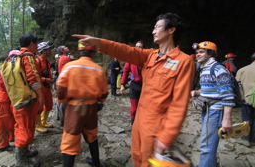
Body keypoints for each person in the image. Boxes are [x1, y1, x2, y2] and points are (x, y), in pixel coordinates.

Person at [73, 12, 195, 167]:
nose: (153, 31)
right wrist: (99, 43)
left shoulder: (184, 62)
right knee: (136, 158)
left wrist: (167, 136)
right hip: (139, 120)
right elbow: (126, 51)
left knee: (148, 163)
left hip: (156, 127)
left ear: (171, 30)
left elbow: (180, 104)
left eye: (157, 27)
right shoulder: (150, 55)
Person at [55, 43, 108, 167]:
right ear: (93, 54)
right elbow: (104, 93)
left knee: (70, 141)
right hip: (91, 108)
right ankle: (96, 163)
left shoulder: (69, 66)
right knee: (92, 136)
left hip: (74, 108)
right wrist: (99, 101)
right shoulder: (99, 69)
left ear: (80, 52)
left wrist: (63, 101)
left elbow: (60, 89)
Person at [190, 41, 235, 167]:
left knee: (207, 146)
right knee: (206, 143)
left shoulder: (218, 69)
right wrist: (197, 92)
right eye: (196, 52)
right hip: (208, 110)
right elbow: (212, 90)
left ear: (210, 53)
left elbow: (228, 95)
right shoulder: (205, 69)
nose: (197, 55)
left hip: (215, 111)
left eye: (201, 52)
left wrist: (227, 119)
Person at [13, 33, 45, 167]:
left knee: (20, 126)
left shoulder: (14, 56)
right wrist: (41, 96)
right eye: (36, 43)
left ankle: (24, 152)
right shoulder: (28, 57)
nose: (37, 46)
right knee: (26, 128)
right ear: (31, 43)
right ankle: (21, 161)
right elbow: (32, 77)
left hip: (17, 98)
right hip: (27, 99)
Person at [0, 50, 18, 152]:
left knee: (12, 119)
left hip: (10, 97)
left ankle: (11, 137)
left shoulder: (12, 66)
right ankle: (2, 144)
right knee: (2, 121)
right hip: (3, 97)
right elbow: (3, 84)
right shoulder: (5, 68)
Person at [235, 52, 255, 147]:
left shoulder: (242, 70)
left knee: (246, 119)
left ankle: (245, 139)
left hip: (246, 99)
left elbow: (236, 83)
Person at [120, 41, 144, 125]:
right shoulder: (130, 59)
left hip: (144, 86)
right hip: (134, 85)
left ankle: (141, 122)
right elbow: (125, 72)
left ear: (143, 49)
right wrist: (122, 84)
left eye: (140, 47)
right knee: (134, 107)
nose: (138, 48)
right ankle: (133, 123)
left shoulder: (146, 59)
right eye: (137, 46)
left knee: (143, 107)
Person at [35, 42, 54, 133]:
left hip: (46, 87)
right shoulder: (37, 61)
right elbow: (35, 76)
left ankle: (43, 121)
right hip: (40, 87)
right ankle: (38, 125)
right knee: (40, 105)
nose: (50, 51)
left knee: (49, 104)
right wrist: (45, 79)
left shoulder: (47, 62)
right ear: (43, 51)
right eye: (48, 50)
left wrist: (50, 78)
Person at [56, 45, 73, 127]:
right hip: (66, 80)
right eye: (65, 47)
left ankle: (59, 116)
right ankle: (64, 119)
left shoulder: (61, 58)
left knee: (60, 99)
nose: (67, 47)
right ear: (63, 51)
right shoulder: (66, 58)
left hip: (61, 79)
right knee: (65, 101)